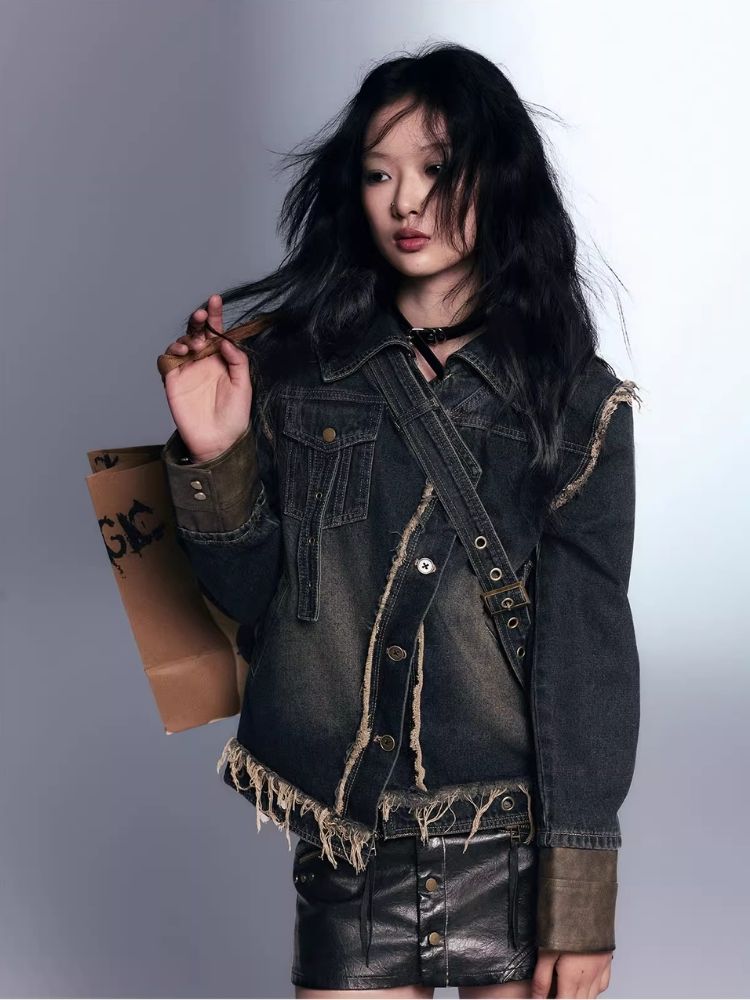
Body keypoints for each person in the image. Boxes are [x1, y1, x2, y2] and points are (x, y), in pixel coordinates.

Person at [159, 42, 641, 1000]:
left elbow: (587, 658)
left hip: (512, 836)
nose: (406, 202)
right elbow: (256, 602)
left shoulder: (576, 402)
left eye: (437, 169)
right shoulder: (293, 376)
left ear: (499, 179)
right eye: (379, 174)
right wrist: (216, 454)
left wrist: (582, 901)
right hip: (350, 839)